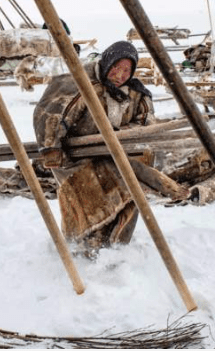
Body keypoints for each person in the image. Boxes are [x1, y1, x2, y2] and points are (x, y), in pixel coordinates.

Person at [33, 40, 155, 254]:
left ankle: (115, 246)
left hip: (113, 153)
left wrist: (122, 133)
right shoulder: (78, 82)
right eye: (116, 67)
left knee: (130, 190)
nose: (120, 75)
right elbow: (49, 116)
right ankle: (81, 248)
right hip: (75, 155)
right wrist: (52, 149)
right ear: (107, 62)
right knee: (88, 202)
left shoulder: (135, 93)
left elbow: (147, 123)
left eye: (127, 70)